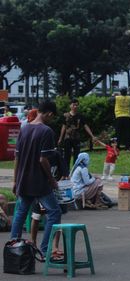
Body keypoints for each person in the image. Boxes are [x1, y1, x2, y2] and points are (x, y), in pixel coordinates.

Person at [10, 100, 62, 259]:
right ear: (49, 114)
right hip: (39, 181)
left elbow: (16, 158)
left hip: (23, 179)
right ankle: (45, 249)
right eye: (52, 117)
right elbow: (43, 160)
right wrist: (52, 180)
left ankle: (13, 248)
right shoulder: (46, 131)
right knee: (54, 212)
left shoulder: (24, 129)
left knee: (20, 212)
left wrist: (15, 180)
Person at [58, 98, 97, 167]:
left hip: (77, 138)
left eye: (76, 105)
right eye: (73, 105)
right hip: (67, 139)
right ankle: (66, 173)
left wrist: (92, 136)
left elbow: (85, 126)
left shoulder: (80, 116)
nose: (75, 106)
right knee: (67, 156)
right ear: (70, 106)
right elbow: (63, 127)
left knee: (77, 156)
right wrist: (60, 138)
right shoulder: (65, 115)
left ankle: (75, 172)